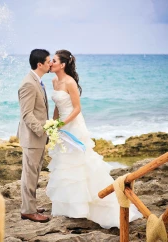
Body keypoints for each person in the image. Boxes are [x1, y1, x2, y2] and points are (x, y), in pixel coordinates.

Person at [46, 49, 142, 228]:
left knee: (79, 164)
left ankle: (89, 206)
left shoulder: (70, 82)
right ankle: (69, 208)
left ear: (63, 64)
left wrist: (62, 123)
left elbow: (76, 109)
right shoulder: (54, 81)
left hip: (74, 126)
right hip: (61, 125)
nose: (50, 63)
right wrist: (53, 124)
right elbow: (58, 106)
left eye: (54, 60)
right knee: (64, 165)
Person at [17, 49, 51, 223]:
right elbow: (27, 114)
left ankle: (30, 205)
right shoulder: (29, 84)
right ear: (40, 64)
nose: (50, 64)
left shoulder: (37, 81)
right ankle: (28, 210)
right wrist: (42, 130)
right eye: (48, 61)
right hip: (32, 137)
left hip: (37, 137)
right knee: (30, 174)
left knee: (34, 173)